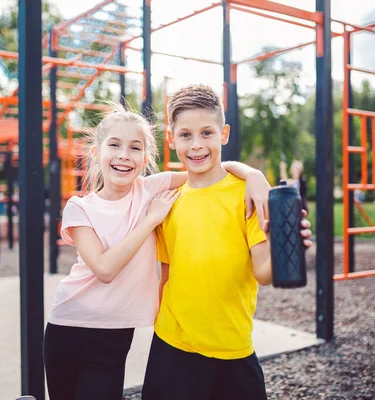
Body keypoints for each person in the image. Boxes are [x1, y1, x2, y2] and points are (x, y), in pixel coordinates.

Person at [42, 104, 269, 400]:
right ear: (96, 153)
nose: (124, 155)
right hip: (68, 325)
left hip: (115, 334)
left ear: (145, 158)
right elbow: (105, 269)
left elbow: (205, 168)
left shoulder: (150, 188)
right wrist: (152, 220)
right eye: (114, 145)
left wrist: (253, 174)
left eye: (135, 148)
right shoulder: (79, 207)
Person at [141, 84, 312, 400]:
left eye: (207, 133)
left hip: (233, 350)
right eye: (185, 135)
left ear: (224, 133)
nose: (196, 145)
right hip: (172, 346)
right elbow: (166, 276)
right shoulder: (168, 201)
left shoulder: (247, 196)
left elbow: (263, 272)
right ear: (171, 138)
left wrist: (288, 248)